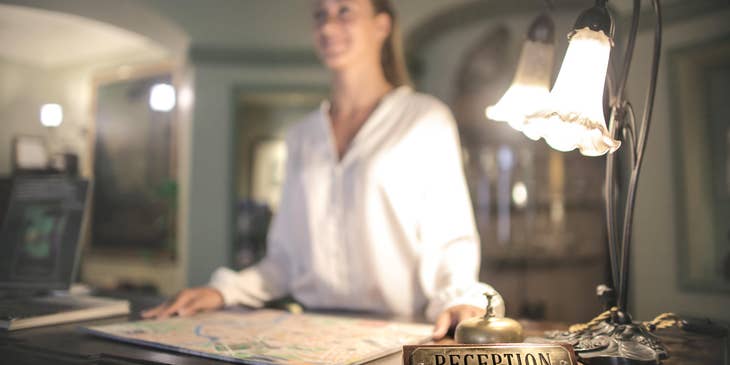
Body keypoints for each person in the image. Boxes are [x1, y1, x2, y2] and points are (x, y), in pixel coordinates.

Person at [143, 0, 504, 340]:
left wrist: (459, 298)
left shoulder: (424, 119)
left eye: (345, 11)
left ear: (382, 25)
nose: (329, 27)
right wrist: (223, 290)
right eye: (320, 14)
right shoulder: (302, 136)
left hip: (397, 332)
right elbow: (284, 260)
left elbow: (449, 238)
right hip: (309, 333)